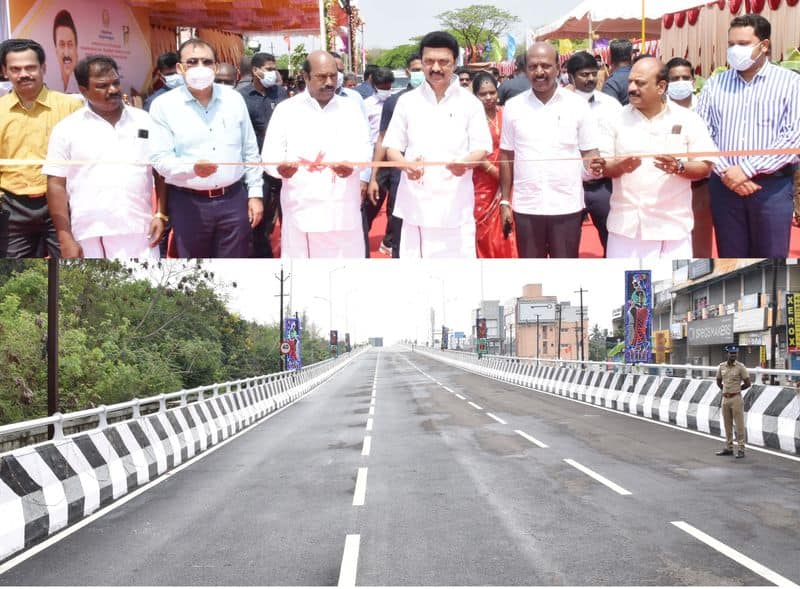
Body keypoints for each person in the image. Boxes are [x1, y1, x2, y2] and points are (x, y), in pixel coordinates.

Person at [696, 13, 800, 258]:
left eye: (742, 44)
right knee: (731, 256)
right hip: (724, 187)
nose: (734, 50)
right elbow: (701, 133)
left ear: (763, 46)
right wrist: (727, 172)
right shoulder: (715, 85)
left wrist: (747, 170)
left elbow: (794, 136)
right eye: (731, 44)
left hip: (771, 188)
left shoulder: (791, 83)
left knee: (771, 261)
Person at [591, 56, 716, 259]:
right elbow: (604, 165)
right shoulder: (614, 119)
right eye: (630, 82)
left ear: (661, 87)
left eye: (640, 83)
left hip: (673, 227)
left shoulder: (688, 119)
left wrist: (679, 167)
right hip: (627, 229)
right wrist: (619, 167)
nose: (631, 88)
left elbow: (705, 165)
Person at [149, 38, 263, 258]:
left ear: (215, 66)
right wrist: (191, 168)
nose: (200, 68)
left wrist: (255, 194)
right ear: (180, 68)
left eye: (206, 62)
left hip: (233, 199)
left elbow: (250, 151)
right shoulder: (164, 106)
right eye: (192, 62)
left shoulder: (234, 100)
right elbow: (159, 158)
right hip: (188, 204)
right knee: (194, 270)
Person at [44, 56, 165, 258]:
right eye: (102, 85)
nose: (113, 90)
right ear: (83, 90)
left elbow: (161, 172)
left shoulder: (145, 121)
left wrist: (161, 214)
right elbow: (56, 184)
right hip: (90, 233)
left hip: (141, 230)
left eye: (115, 82)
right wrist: (65, 239)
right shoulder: (67, 129)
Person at [383, 31, 491, 258]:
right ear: (421, 63)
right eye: (429, 61)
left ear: (455, 63)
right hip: (416, 203)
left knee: (457, 276)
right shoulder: (407, 102)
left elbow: (481, 147)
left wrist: (465, 163)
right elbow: (392, 147)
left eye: (444, 62)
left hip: (455, 202)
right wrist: (405, 165)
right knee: (417, 277)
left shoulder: (470, 103)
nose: (436, 68)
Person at [262, 50, 371, 258]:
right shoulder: (287, 110)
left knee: (346, 272)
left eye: (333, 76)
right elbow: (269, 156)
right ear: (305, 77)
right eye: (321, 77)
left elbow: (365, 150)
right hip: (302, 208)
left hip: (343, 207)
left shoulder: (351, 109)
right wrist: (280, 169)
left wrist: (352, 166)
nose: (329, 82)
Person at [499, 42, 600, 258]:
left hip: (566, 205)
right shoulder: (513, 107)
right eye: (533, 66)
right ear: (525, 70)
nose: (539, 72)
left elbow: (590, 154)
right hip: (527, 207)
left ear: (557, 67)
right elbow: (506, 155)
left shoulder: (577, 105)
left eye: (545, 66)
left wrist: (597, 167)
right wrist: (505, 201)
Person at [0, 39, 82, 258]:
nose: (23, 74)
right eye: (15, 69)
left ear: (43, 68)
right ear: (5, 72)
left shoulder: (71, 106)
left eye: (30, 67)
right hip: (11, 207)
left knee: (70, 262)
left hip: (62, 203)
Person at [367, 53, 424, 257]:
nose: (420, 73)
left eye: (421, 68)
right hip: (400, 178)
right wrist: (374, 177)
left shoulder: (446, 102)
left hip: (435, 182)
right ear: (409, 71)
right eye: (415, 69)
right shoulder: (396, 102)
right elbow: (383, 140)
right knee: (399, 230)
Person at [566, 51, 622, 257]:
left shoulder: (611, 105)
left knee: (612, 241)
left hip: (603, 187)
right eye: (583, 74)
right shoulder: (559, 105)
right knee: (566, 244)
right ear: (571, 77)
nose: (590, 79)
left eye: (593, 73)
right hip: (570, 186)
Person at [239, 52, 290, 258]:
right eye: (269, 69)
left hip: (283, 165)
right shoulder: (242, 97)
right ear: (255, 71)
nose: (273, 73)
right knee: (261, 216)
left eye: (274, 68)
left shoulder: (281, 94)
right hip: (257, 167)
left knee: (288, 212)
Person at [666, 57, 713, 258]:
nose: (680, 82)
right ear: (665, 83)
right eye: (675, 78)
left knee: (701, 245)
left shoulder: (706, 107)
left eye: (685, 77)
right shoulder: (658, 111)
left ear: (693, 81)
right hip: (668, 188)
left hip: (701, 185)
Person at [471, 72, 516, 258]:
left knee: (509, 224)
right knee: (484, 228)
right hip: (483, 181)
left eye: (492, 92)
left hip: (510, 176)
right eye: (483, 94)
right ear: (475, 96)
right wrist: (495, 171)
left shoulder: (506, 113)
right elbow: (471, 149)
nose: (489, 97)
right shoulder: (471, 118)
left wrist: (506, 175)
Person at [361, 67, 394, 256]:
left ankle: (389, 240)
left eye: (389, 86)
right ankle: (363, 234)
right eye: (383, 86)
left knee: (394, 203)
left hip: (394, 155)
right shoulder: (366, 105)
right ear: (375, 86)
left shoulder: (396, 102)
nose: (386, 89)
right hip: (375, 155)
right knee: (373, 200)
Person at [715, 345, 751, 459]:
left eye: (735, 353)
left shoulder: (741, 367)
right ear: (728, 354)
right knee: (727, 424)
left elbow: (748, 383)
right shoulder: (721, 367)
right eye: (731, 353)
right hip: (725, 399)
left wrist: (737, 390)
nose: (733, 355)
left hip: (736, 399)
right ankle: (729, 448)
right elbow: (718, 381)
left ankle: (741, 449)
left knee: (739, 425)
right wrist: (725, 390)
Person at [53, 10, 79, 93]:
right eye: (62, 44)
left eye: (70, 44)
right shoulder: (51, 88)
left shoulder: (84, 88)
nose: (66, 52)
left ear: (76, 49)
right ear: (56, 50)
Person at [602, 39, 633, 105]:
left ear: (610, 57)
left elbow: (608, 110)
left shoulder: (611, 83)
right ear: (631, 56)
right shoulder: (642, 77)